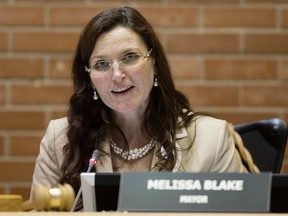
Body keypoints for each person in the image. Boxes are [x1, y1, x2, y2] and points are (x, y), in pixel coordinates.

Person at [29, 6, 249, 210]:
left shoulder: (211, 138)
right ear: (89, 78)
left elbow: (243, 212)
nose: (117, 75)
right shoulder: (61, 139)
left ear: (154, 62)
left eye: (130, 57)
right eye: (102, 64)